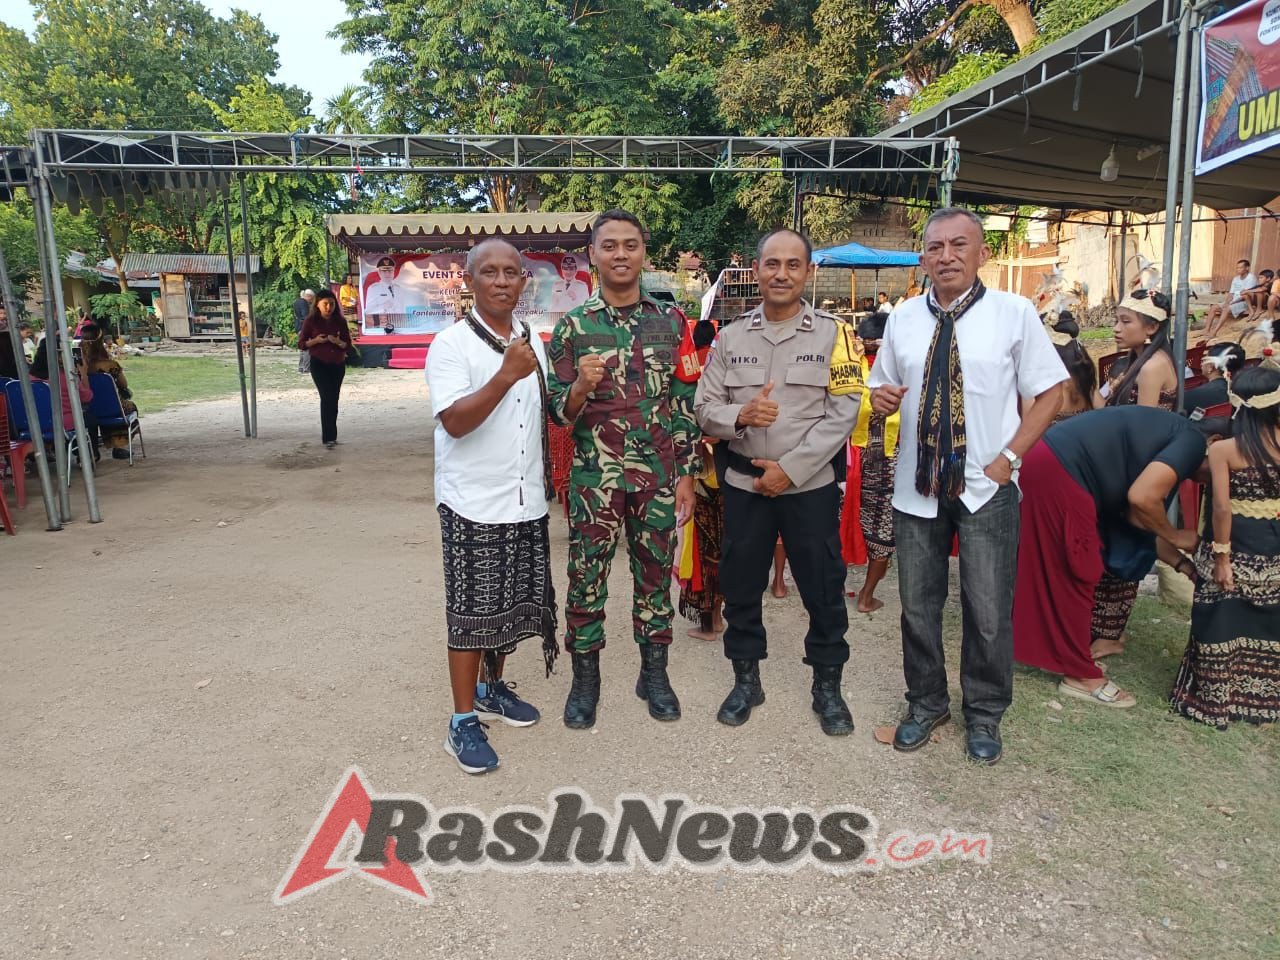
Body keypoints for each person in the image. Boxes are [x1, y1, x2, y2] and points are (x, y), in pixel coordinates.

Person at [868, 206, 1067, 764]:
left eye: (959, 245)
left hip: (986, 487)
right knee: (916, 605)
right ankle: (926, 704)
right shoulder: (903, 318)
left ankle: (984, 714)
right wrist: (880, 398)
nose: (947, 256)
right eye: (936, 247)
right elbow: (883, 387)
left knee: (986, 608)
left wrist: (1010, 457)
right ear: (924, 256)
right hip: (917, 488)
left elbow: (1051, 391)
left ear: (982, 253)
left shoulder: (1014, 312)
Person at [695, 228, 861, 735]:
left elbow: (844, 412)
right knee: (742, 585)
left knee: (823, 587)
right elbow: (703, 407)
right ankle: (747, 680)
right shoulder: (729, 336)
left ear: (808, 271)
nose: (782, 273)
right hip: (745, 487)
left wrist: (789, 470)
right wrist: (740, 415)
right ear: (756, 269)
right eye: (772, 264)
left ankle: (827, 687)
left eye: (793, 264)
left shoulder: (838, 334)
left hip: (806, 487)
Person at [546, 209, 700, 729]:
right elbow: (557, 413)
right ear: (592, 254)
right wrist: (582, 387)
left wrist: (686, 474)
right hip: (595, 481)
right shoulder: (572, 327)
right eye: (608, 245)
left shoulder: (671, 321)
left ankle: (654, 674)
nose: (619, 254)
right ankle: (584, 681)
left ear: (643, 252)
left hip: (657, 477)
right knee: (585, 580)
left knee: (655, 578)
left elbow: (684, 400)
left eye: (629, 245)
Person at [425, 238, 558, 773]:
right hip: (473, 501)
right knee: (470, 614)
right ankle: (461, 723)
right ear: (470, 280)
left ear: (524, 282)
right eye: (490, 273)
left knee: (507, 605)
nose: (502, 281)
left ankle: (492, 688)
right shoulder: (450, 345)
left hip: (523, 499)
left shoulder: (531, 341)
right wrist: (505, 373)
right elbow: (454, 421)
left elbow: (545, 416)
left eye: (512, 273)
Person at [1013, 407, 1214, 707]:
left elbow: (1139, 520)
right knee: (1078, 571)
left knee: (1060, 570)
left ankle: (1061, 655)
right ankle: (1081, 676)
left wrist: (1184, 565)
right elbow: (1142, 499)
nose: (1216, 482)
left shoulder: (1172, 436)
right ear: (1217, 442)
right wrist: (1177, 535)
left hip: (1051, 464)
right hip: (1061, 471)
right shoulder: (1193, 440)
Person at [1171, 364, 1280, 727]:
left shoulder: (1225, 451)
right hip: (1272, 549)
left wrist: (1222, 557)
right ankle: (1261, 702)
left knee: (1220, 618)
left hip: (1236, 545)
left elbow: (1221, 507)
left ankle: (1215, 699)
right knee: (1267, 622)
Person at [1091, 290, 1179, 660]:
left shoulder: (1153, 366)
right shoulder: (1130, 363)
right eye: (1117, 320)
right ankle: (1100, 627)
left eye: (1126, 321)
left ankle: (1112, 635)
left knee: (1126, 549)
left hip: (1141, 470)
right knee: (1108, 547)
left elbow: (1139, 430)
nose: (1116, 328)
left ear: (1152, 327)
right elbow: (1104, 408)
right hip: (1122, 465)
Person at [298, 290, 351, 449]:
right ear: (318, 305)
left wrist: (338, 342)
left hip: (337, 364)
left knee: (334, 399)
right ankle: (327, 437)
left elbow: (348, 344)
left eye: (332, 304)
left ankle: (332, 436)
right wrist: (315, 341)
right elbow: (301, 344)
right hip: (319, 363)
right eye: (325, 304)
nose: (329, 307)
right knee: (326, 397)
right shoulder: (311, 321)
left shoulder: (340, 321)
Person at [81, 333, 138, 459]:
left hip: (87, 409)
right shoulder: (111, 365)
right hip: (114, 407)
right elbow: (124, 384)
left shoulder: (80, 368)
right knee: (130, 407)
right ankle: (118, 445)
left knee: (100, 409)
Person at [1183, 342, 1246, 413]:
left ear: (1211, 367)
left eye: (1205, 358)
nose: (1202, 361)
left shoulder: (1193, 395)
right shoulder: (1244, 391)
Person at [1203, 260, 1256, 338]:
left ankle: (1214, 332)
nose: (1238, 269)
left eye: (1241, 267)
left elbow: (1246, 295)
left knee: (1226, 309)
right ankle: (1206, 330)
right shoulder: (1236, 278)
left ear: (1247, 268)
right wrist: (1227, 302)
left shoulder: (1251, 278)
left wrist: (1231, 303)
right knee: (1214, 307)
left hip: (1245, 302)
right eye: (1237, 268)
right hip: (1233, 301)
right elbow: (1231, 293)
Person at [364, 256, 405, 332]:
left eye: (390, 271)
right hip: (381, 326)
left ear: (393, 272)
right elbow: (368, 311)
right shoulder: (373, 289)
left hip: (399, 326)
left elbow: (402, 309)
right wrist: (383, 306)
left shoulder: (399, 289)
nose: (387, 274)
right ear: (379, 272)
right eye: (384, 271)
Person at [293, 289, 315, 373]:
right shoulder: (304, 303)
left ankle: (301, 367)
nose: (311, 301)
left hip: (298, 327)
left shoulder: (297, 302)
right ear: (308, 296)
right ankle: (306, 368)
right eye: (311, 298)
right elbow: (305, 316)